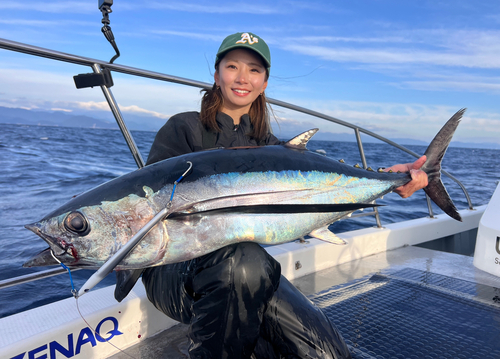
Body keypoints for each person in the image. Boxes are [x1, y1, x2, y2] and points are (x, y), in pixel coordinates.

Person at [141, 32, 428, 359]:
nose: (242, 78)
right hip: (173, 271)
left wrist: (392, 177)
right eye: (232, 66)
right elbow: (148, 206)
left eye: (254, 70)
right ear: (217, 74)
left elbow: (318, 188)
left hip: (248, 272)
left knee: (327, 353)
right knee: (243, 262)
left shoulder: (272, 147)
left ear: (264, 82)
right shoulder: (183, 129)